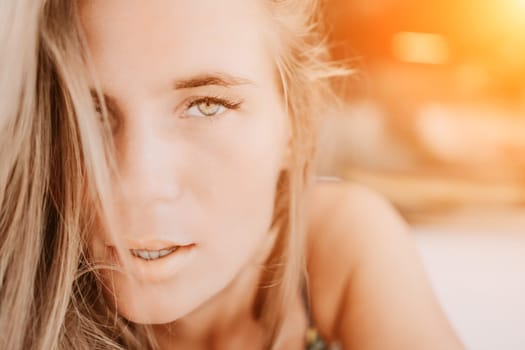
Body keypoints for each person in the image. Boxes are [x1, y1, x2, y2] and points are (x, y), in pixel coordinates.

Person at [0, 0, 465, 349]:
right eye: (88, 113)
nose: (136, 187)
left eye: (207, 105)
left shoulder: (335, 245)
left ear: (295, 126)